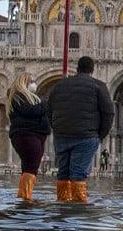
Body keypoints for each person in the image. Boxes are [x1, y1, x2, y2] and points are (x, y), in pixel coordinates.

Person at [47, 55, 114, 203]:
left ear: (77, 68)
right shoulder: (99, 86)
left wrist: (56, 127)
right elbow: (109, 113)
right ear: (92, 69)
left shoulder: (59, 85)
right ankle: (78, 210)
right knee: (78, 174)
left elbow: (49, 109)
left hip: (61, 135)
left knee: (63, 173)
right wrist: (99, 135)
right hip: (86, 137)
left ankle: (62, 205)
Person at [7, 73, 50, 202]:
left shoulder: (30, 98)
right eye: (31, 81)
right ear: (23, 82)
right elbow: (31, 111)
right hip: (27, 136)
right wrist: (46, 103)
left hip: (35, 135)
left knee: (30, 168)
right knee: (31, 168)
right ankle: (25, 198)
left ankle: (25, 197)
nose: (34, 84)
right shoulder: (17, 97)